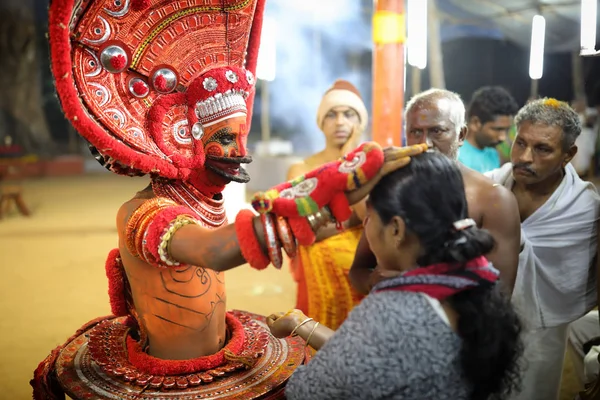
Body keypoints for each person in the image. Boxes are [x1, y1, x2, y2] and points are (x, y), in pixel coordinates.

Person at [32, 0, 426, 398]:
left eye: (241, 137)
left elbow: (266, 225)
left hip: (220, 359)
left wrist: (350, 186)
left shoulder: (193, 205)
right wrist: (326, 184)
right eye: (224, 138)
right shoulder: (147, 213)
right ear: (178, 138)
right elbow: (216, 251)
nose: (239, 152)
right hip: (171, 378)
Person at [267, 152, 523, 400]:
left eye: (369, 217)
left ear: (397, 229)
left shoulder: (393, 311)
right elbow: (375, 353)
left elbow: (308, 390)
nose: (365, 227)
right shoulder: (476, 279)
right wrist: (300, 323)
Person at [349, 88, 521, 294]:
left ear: (461, 135)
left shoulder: (493, 199)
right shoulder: (392, 188)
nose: (425, 144)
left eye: (437, 131)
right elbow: (358, 269)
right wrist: (373, 283)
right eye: (415, 132)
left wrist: (413, 285)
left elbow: (499, 294)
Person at [485, 98, 600, 400]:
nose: (524, 157)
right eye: (520, 142)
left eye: (542, 149)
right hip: (481, 326)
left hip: (542, 336)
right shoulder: (490, 188)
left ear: (568, 154)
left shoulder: (586, 211)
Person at [286, 79, 369, 329]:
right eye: (331, 115)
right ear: (321, 123)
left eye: (348, 114)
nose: (340, 122)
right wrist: (352, 217)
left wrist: (351, 159)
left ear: (360, 123)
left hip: (361, 277)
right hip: (318, 283)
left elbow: (370, 220)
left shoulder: (369, 168)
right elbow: (306, 230)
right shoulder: (301, 170)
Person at [458, 86, 519, 173]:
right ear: (475, 123)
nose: (503, 137)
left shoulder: (493, 154)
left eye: (506, 130)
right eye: (497, 129)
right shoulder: (458, 158)